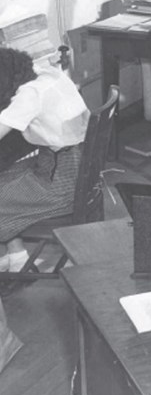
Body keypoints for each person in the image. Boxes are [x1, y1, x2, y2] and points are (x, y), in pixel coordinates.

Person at [0, 49, 89, 272]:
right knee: (5, 175)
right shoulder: (47, 74)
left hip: (62, 183)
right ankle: (17, 256)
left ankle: (17, 256)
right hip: (79, 168)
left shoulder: (29, 95)